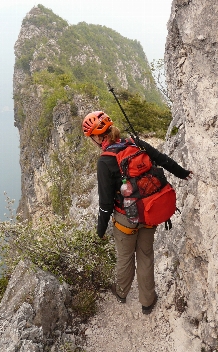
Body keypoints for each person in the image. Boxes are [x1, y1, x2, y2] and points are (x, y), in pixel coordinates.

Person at [82, 110, 192, 315]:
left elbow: (105, 203)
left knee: (125, 258)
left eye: (91, 138)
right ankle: (148, 301)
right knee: (146, 255)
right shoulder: (135, 143)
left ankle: (122, 292)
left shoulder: (105, 161)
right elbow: (163, 160)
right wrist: (183, 173)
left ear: (98, 137)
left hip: (125, 218)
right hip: (149, 212)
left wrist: (100, 231)